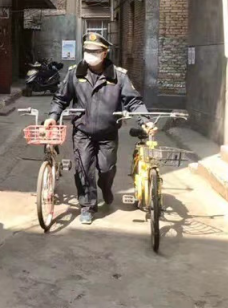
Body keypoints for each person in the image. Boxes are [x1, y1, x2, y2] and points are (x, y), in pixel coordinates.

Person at [43, 32, 155, 225]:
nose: (90, 54)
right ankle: (87, 205)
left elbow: (133, 101)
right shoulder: (74, 73)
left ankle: (106, 187)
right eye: (87, 50)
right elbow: (61, 99)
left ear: (105, 53)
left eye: (95, 51)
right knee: (83, 169)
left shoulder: (119, 76)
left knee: (106, 169)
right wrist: (53, 116)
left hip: (108, 133)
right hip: (82, 131)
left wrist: (145, 120)